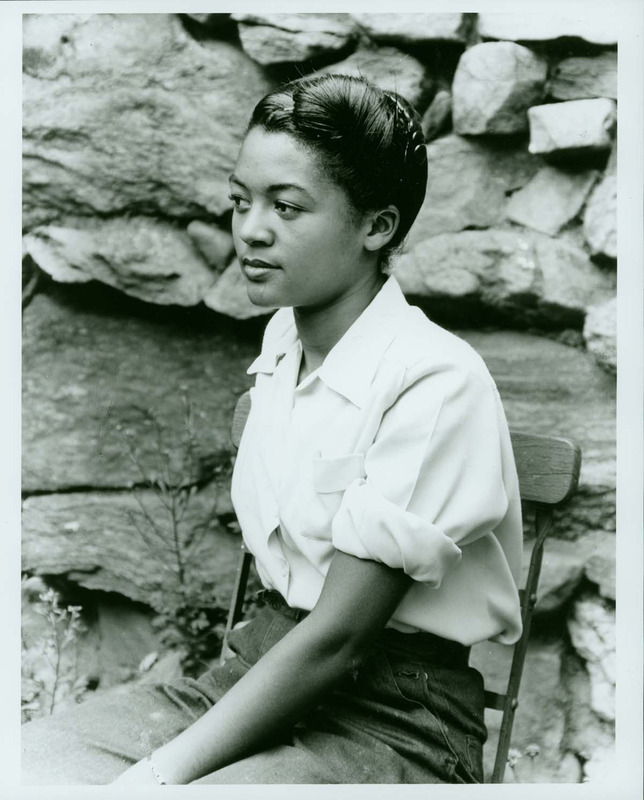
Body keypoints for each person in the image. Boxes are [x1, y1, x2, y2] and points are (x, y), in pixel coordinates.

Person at [21, 74, 523, 785]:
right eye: (240, 200)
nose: (251, 228)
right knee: (25, 764)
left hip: (394, 723)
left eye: (286, 206)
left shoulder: (436, 382)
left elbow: (341, 637)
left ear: (377, 226)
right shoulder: (284, 343)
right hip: (254, 678)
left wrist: (159, 775)